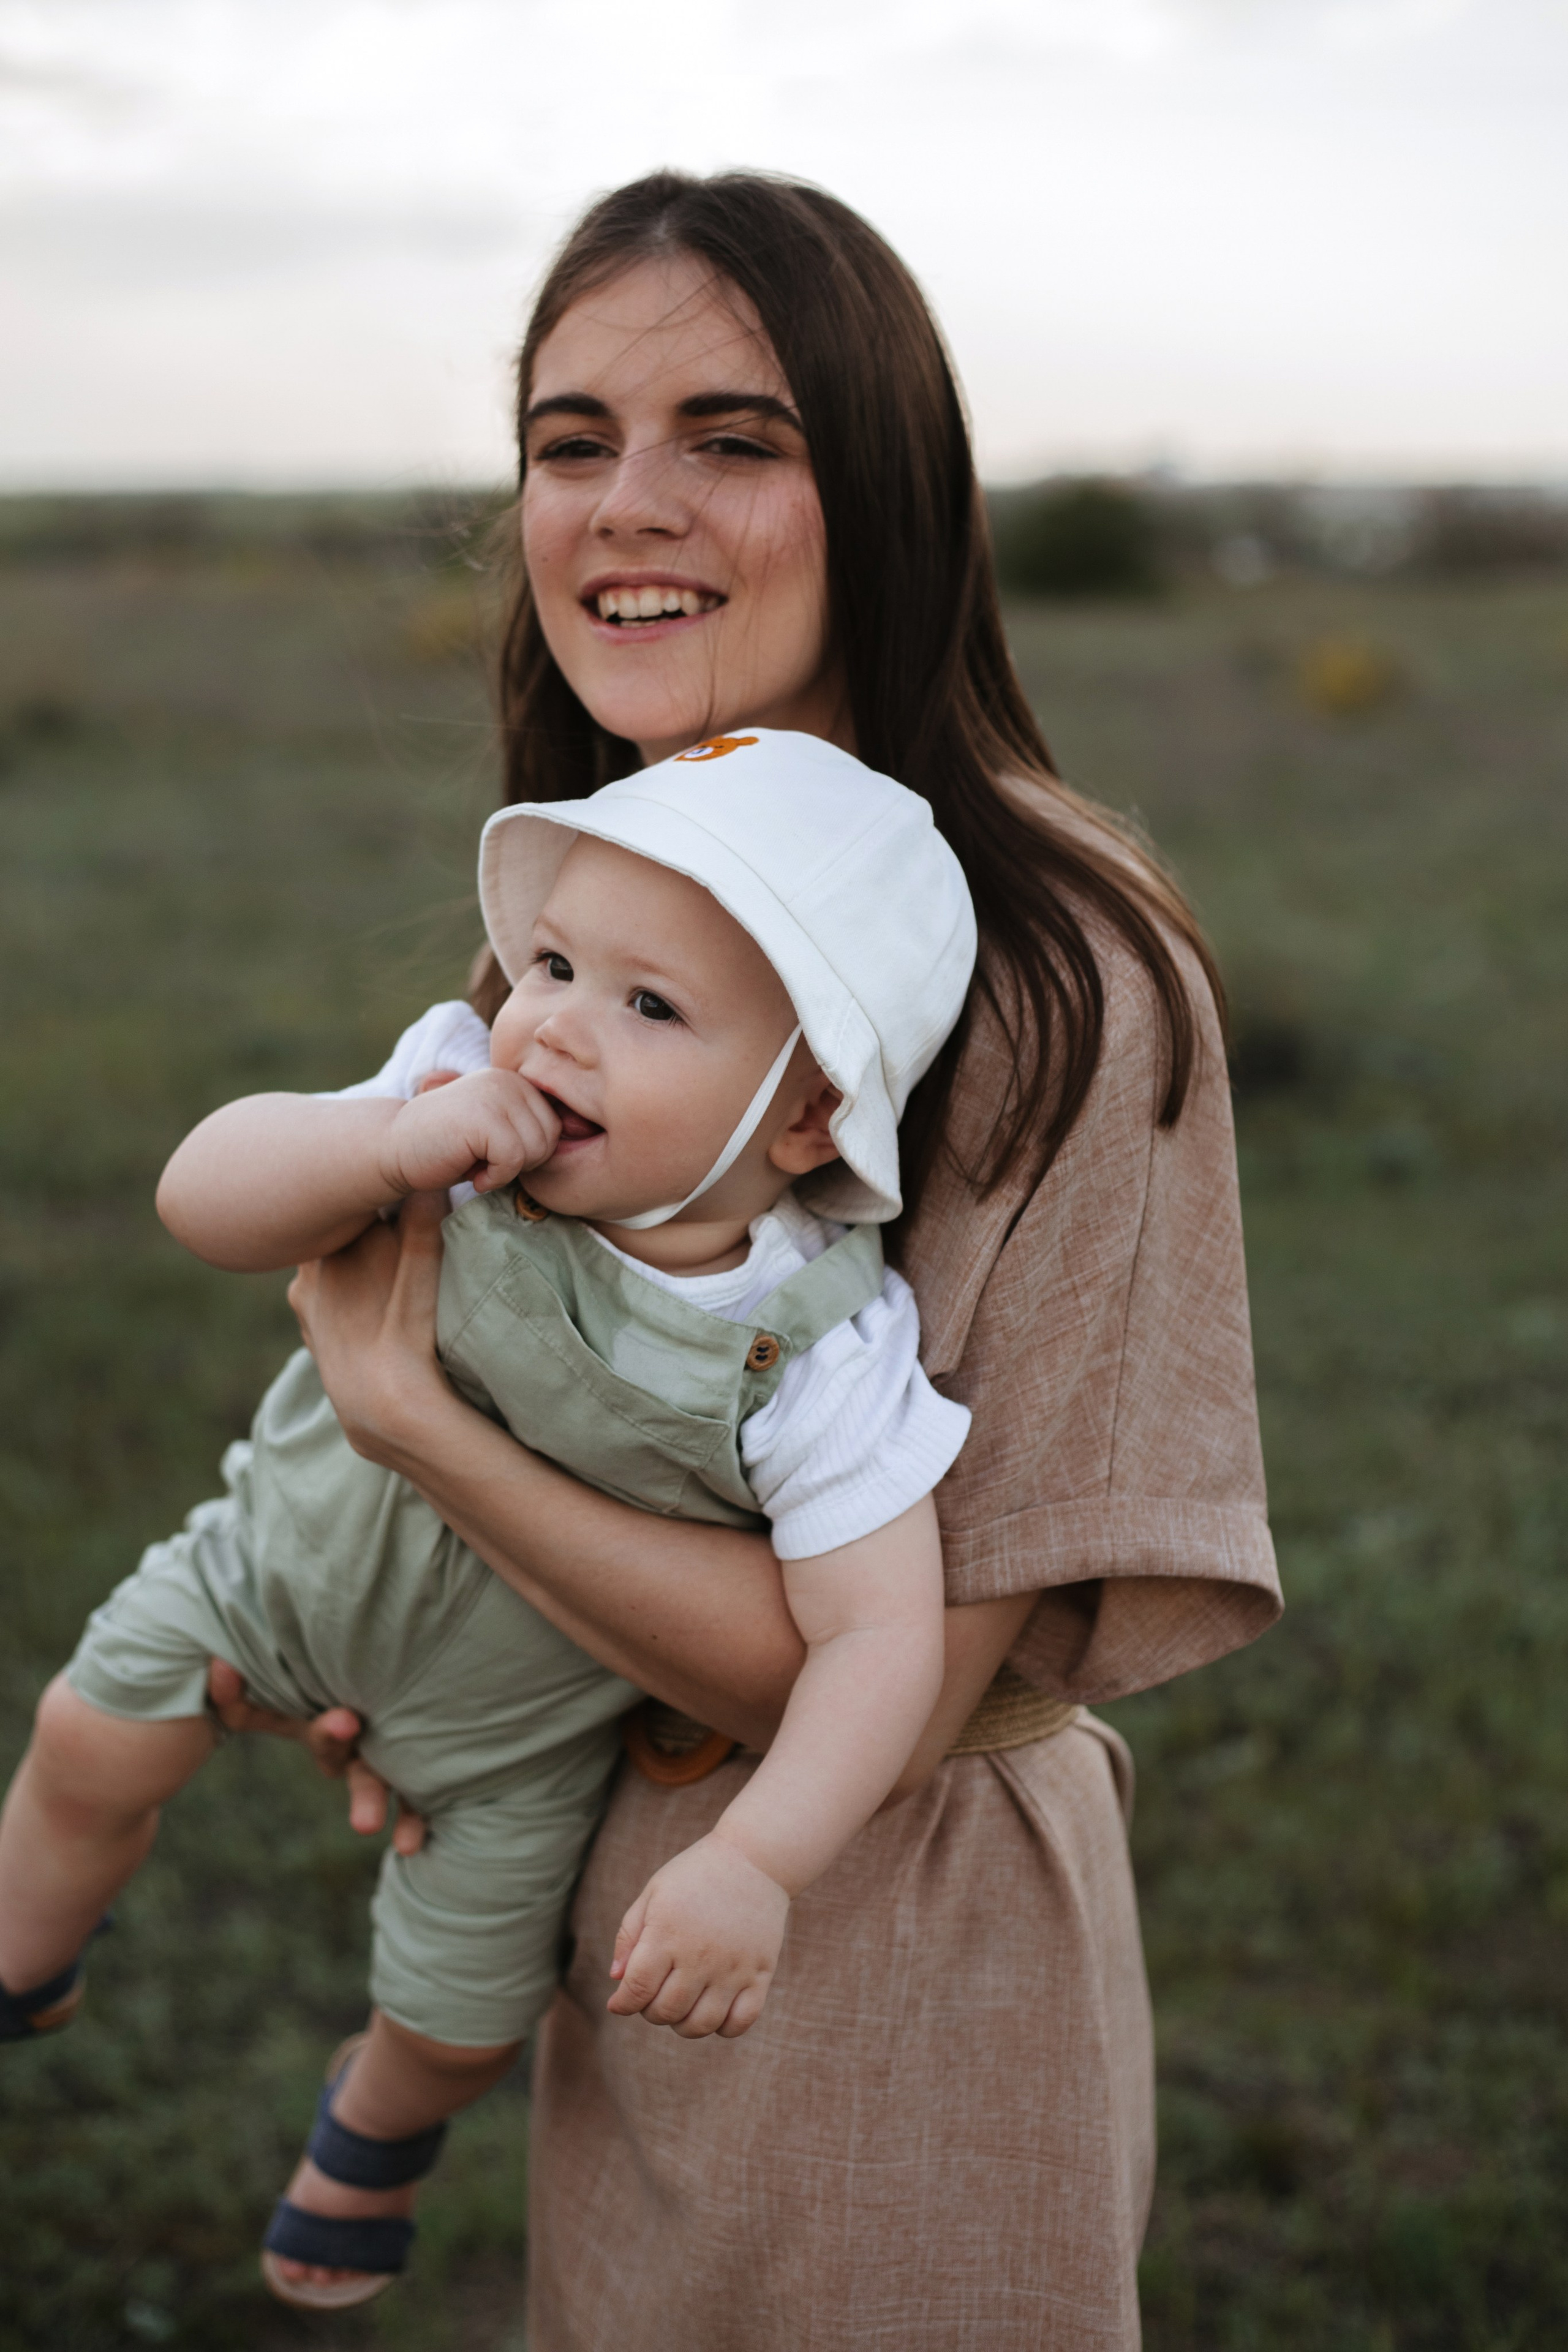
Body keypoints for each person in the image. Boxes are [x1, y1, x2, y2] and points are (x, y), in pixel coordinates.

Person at [171, 170, 1281, 2348]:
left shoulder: (1071, 976)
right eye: (572, 441)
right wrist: (389, 1658)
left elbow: (856, 1669)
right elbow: (586, 1395)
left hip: (906, 1954)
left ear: (883, 490)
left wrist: (406, 1426)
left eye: (733, 439)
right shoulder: (618, 895)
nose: (626, 506)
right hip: (629, 1912)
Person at [0, 731, 979, 2309]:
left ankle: (368, 2143)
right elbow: (202, 1198)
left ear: (806, 1118)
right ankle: (22, 1958)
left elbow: (881, 1640)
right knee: (87, 1743)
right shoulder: (445, 1096)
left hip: (511, 1748)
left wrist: (760, 1865)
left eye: (648, 1007)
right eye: (555, 963)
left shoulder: (812, 1349)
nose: (558, 1031)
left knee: (459, 2020)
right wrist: (378, 1144)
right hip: (262, 1575)